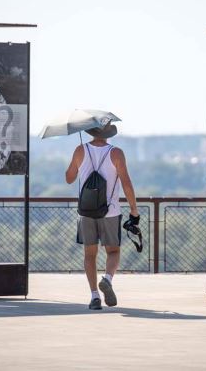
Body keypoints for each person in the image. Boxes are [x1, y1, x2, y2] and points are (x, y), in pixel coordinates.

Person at [65, 123, 140, 310]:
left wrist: (79, 162)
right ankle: (107, 279)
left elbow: (69, 178)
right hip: (111, 211)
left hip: (86, 211)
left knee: (90, 255)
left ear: (91, 132)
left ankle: (94, 297)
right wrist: (134, 209)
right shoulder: (116, 153)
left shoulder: (80, 150)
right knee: (113, 251)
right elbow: (126, 183)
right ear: (108, 134)